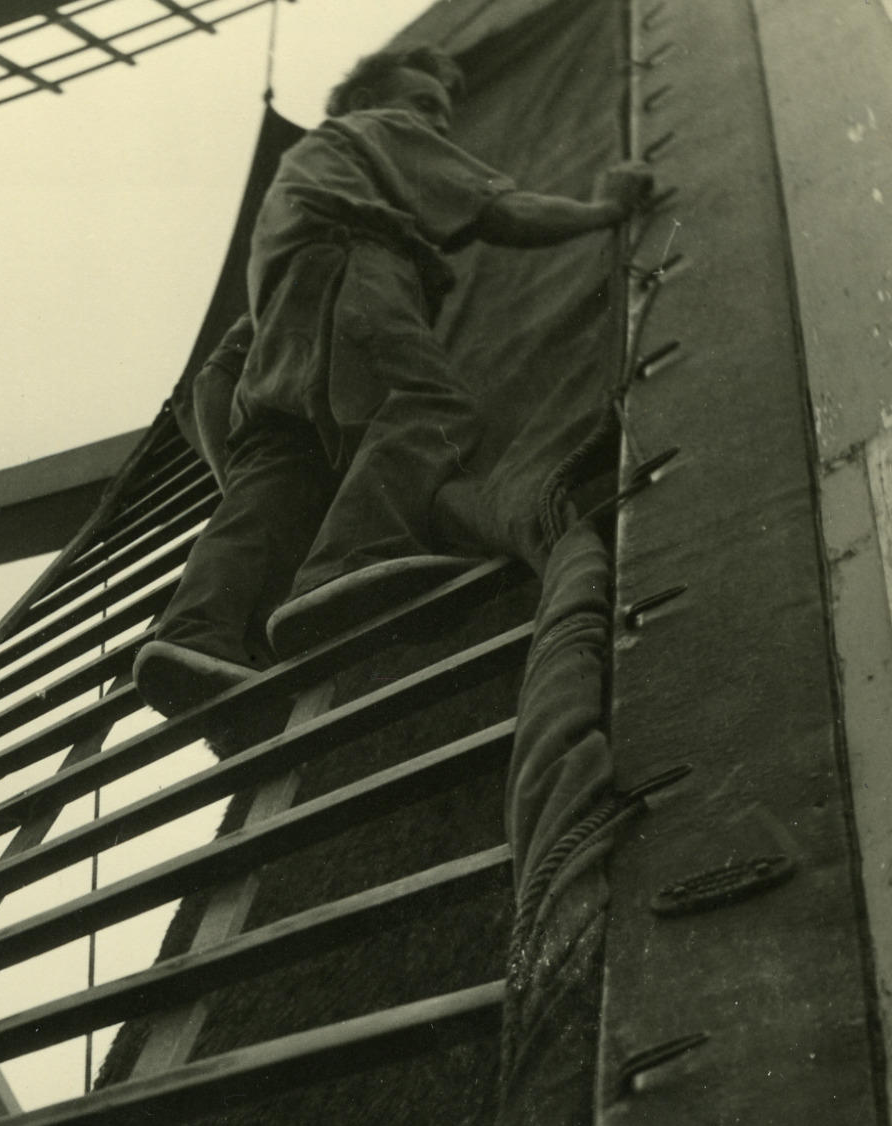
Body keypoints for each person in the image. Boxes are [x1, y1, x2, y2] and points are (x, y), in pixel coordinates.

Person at [133, 43, 652, 719]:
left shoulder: (295, 196)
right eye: (424, 103)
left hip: (283, 329)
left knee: (280, 467)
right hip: (359, 273)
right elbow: (504, 213)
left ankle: (191, 635)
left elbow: (214, 379)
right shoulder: (379, 129)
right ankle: (350, 562)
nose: (435, 123)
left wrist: (234, 467)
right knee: (427, 404)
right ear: (365, 101)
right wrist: (603, 210)